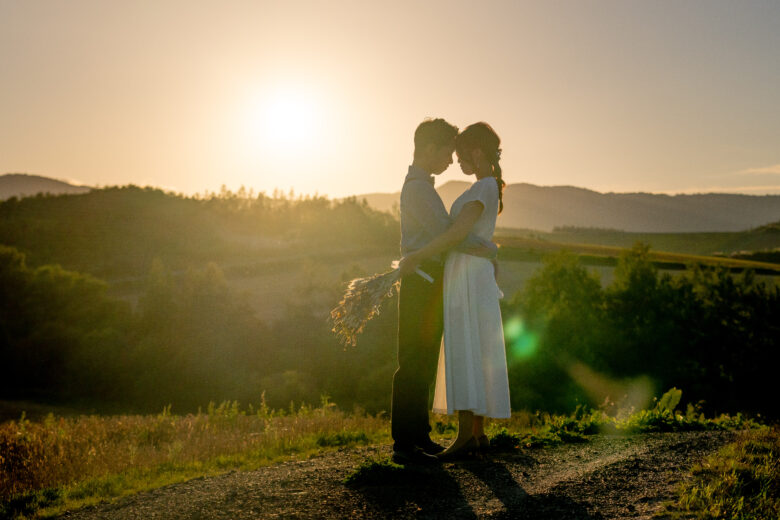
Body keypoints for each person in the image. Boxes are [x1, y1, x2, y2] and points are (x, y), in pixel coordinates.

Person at [399, 122, 510, 460]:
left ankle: (438, 437)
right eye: (450, 153)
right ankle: (413, 441)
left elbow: (452, 233)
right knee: (420, 359)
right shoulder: (421, 189)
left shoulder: (479, 187)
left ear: (476, 152)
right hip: (431, 277)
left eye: (458, 155)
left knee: (452, 351)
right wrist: (487, 249)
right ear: (429, 148)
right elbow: (450, 233)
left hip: (449, 276)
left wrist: (487, 249)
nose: (453, 161)